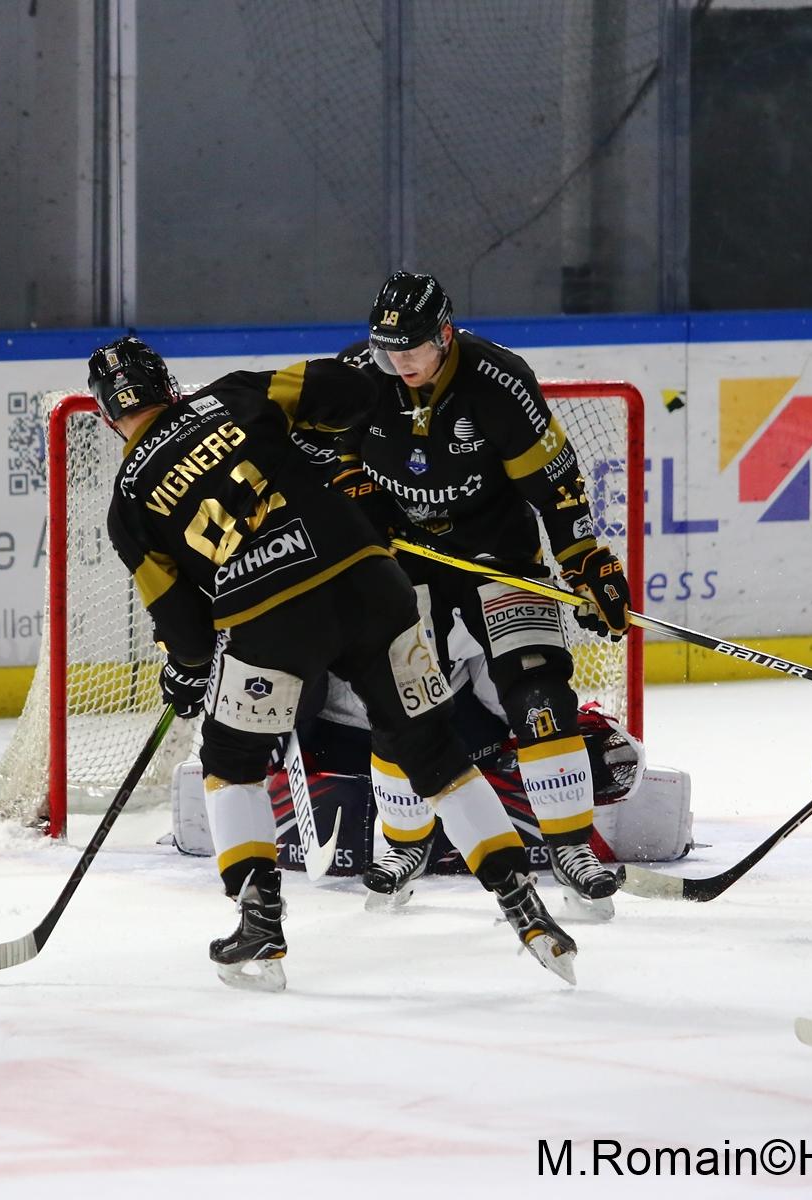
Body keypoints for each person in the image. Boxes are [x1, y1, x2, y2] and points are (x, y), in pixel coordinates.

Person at [90, 334, 579, 990]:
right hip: (370, 581)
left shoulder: (127, 505)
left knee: (231, 763)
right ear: (170, 385)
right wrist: (312, 441)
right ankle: (526, 907)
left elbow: (186, 630)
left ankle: (260, 926)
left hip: (271, 619)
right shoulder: (235, 394)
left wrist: (183, 670)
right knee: (434, 752)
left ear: (106, 417)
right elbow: (349, 390)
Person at [332, 271, 634, 919]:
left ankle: (570, 848)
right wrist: (359, 509)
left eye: (412, 347)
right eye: (388, 348)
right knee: (403, 699)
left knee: (538, 688)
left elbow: (555, 483)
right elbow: (325, 455)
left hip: (498, 552)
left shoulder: (499, 381)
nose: (399, 362)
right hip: (405, 560)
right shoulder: (358, 374)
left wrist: (585, 559)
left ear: (444, 334)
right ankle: (403, 845)